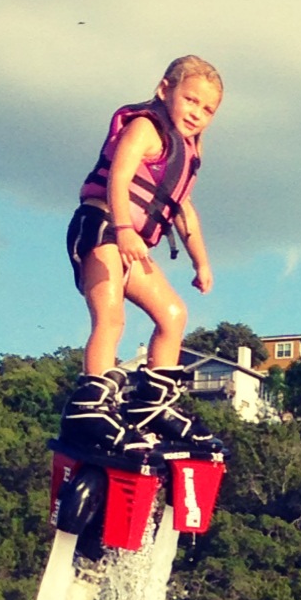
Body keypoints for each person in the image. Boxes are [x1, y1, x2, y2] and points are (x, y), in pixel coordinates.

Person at [60, 55, 225, 456]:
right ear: (164, 89)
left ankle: (152, 402)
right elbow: (119, 175)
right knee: (111, 316)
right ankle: (92, 404)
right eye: (191, 100)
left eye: (207, 109)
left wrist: (200, 261)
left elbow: (184, 211)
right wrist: (124, 228)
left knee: (173, 314)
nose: (197, 113)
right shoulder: (145, 128)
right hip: (101, 228)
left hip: (131, 244)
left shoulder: (185, 151)